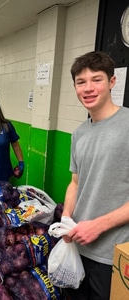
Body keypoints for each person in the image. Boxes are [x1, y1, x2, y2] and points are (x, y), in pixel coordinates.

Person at [62, 51, 129, 300]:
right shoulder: (79, 133)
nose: (88, 88)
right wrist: (67, 216)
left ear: (112, 82)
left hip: (113, 254)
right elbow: (75, 182)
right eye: (81, 82)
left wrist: (98, 225)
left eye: (96, 79)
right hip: (78, 247)